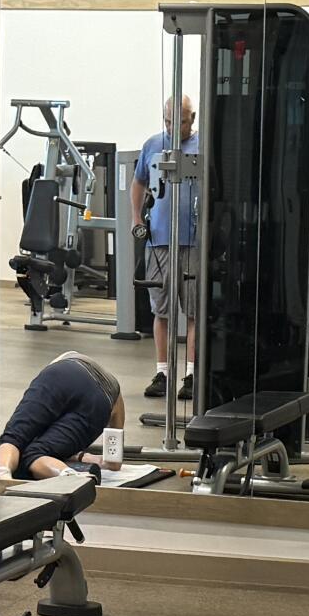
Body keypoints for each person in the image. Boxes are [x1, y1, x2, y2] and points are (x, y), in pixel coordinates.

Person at [130, 94, 198, 397]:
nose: (173, 127)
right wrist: (136, 218)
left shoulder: (202, 145)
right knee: (162, 311)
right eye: (168, 121)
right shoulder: (152, 145)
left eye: (180, 121)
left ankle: (192, 374)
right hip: (159, 241)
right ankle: (162, 373)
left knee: (195, 311)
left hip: (194, 242)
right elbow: (139, 183)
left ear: (192, 119)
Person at [0, 351, 124, 480]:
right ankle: (70, 477)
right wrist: (81, 456)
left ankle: (2, 475)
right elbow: (113, 463)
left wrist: (78, 455)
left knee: (14, 439)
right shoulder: (113, 395)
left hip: (59, 373)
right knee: (35, 453)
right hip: (96, 394)